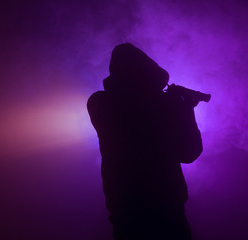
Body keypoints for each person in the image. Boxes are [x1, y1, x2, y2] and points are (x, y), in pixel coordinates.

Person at [87, 43, 203, 240]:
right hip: (167, 214)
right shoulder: (162, 106)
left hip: (124, 214)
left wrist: (174, 104)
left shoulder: (99, 102)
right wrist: (185, 110)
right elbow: (189, 152)